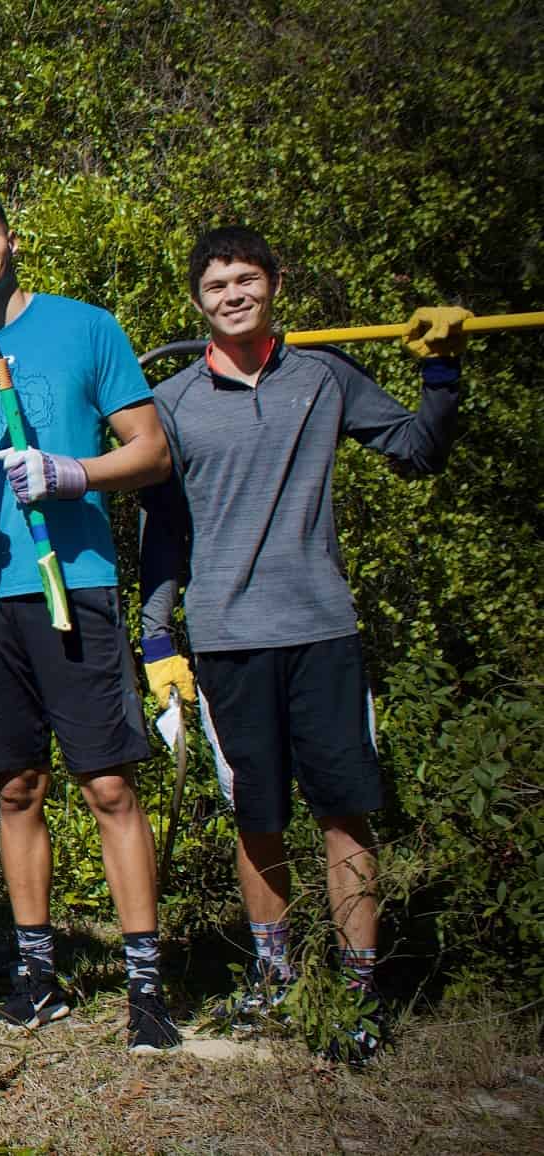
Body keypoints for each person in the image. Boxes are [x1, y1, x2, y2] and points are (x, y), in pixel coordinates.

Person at [139, 225, 468, 1060]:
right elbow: (163, 533)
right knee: (258, 817)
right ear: (197, 302)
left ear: (275, 283)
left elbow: (417, 451)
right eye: (216, 288)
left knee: (343, 812)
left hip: (322, 628)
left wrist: (441, 368)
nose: (232, 297)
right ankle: (276, 980)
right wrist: (155, 638)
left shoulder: (325, 376)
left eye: (246, 280)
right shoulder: (171, 404)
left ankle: (358, 992)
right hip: (225, 639)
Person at [0, 185, 178, 1053]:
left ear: (11, 242)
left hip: (78, 588)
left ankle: (144, 984)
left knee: (108, 784)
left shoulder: (85, 329)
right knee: (14, 787)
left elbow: (153, 450)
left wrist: (72, 474)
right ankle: (37, 974)